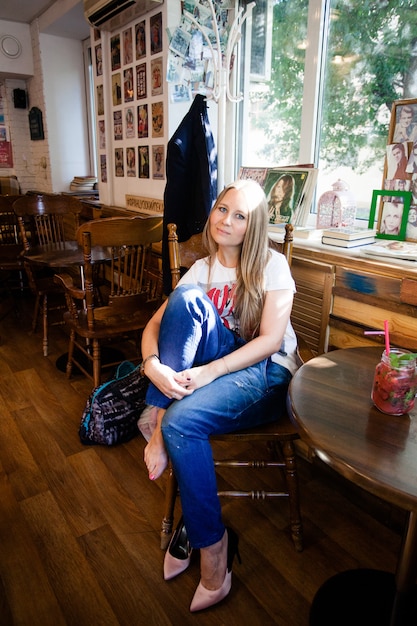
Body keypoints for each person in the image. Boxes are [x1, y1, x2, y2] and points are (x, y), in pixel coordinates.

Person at [138, 179, 298, 612]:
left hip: (265, 374)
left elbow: (268, 341)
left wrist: (209, 372)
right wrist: (152, 366)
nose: (226, 220)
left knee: (182, 424)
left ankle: (212, 550)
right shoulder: (200, 271)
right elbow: (154, 327)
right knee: (185, 299)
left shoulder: (272, 265)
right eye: (221, 209)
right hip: (214, 369)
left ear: (254, 225)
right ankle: (157, 419)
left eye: (240, 215)